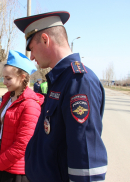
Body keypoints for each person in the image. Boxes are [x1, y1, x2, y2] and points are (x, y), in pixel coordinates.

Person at [14, 11, 107, 181]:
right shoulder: (61, 79)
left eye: (32, 49)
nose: (32, 57)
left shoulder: (78, 81)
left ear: (45, 39)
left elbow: (85, 159)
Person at [0, 50, 44, 182]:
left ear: (22, 77)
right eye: (4, 77)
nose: (4, 82)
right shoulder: (7, 98)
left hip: (15, 171)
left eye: (8, 78)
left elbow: (23, 145)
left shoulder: (30, 105)